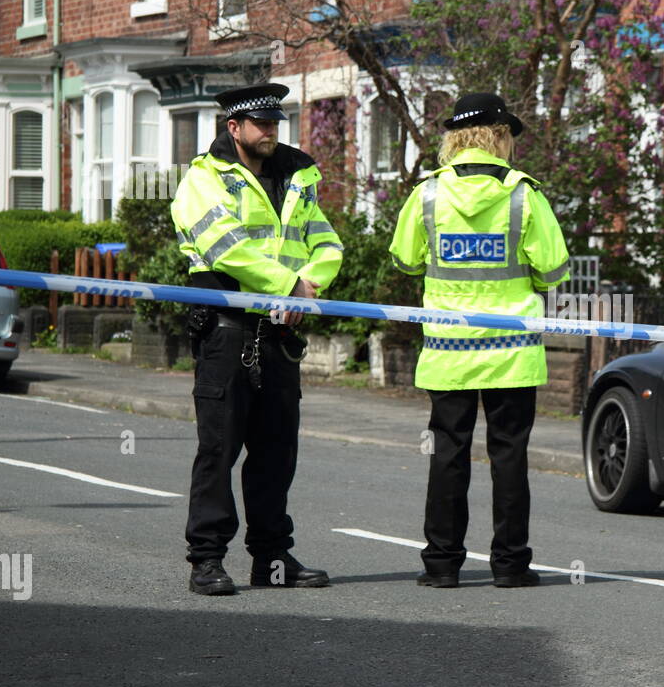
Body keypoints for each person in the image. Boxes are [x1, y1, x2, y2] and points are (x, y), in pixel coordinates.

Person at [389, 93, 570, 588]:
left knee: (448, 454)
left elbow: (404, 260)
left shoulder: (427, 194)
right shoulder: (523, 194)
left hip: (449, 351)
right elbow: (554, 270)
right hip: (511, 352)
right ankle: (511, 566)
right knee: (509, 456)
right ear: (499, 136)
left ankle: (442, 566)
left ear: (455, 138)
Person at [170, 83, 344, 595]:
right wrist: (286, 284)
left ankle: (271, 559)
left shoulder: (298, 176)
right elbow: (224, 248)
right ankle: (206, 560)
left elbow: (327, 241)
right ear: (234, 128)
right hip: (227, 335)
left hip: (280, 334)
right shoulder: (204, 179)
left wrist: (309, 284)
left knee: (275, 453)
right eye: (261, 123)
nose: (270, 131)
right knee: (218, 451)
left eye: (276, 122)